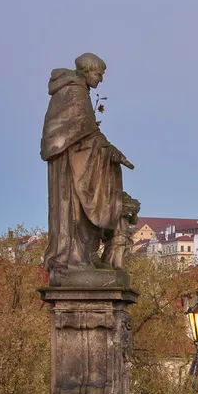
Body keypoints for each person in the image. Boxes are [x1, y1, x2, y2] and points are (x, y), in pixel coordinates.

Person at [41, 53, 133, 278]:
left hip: (73, 160)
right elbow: (81, 129)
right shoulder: (75, 91)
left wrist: (106, 148)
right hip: (70, 166)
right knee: (72, 210)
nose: (100, 79)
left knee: (77, 212)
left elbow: (83, 129)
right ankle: (74, 258)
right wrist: (108, 150)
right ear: (86, 71)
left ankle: (81, 255)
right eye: (98, 74)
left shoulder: (72, 90)